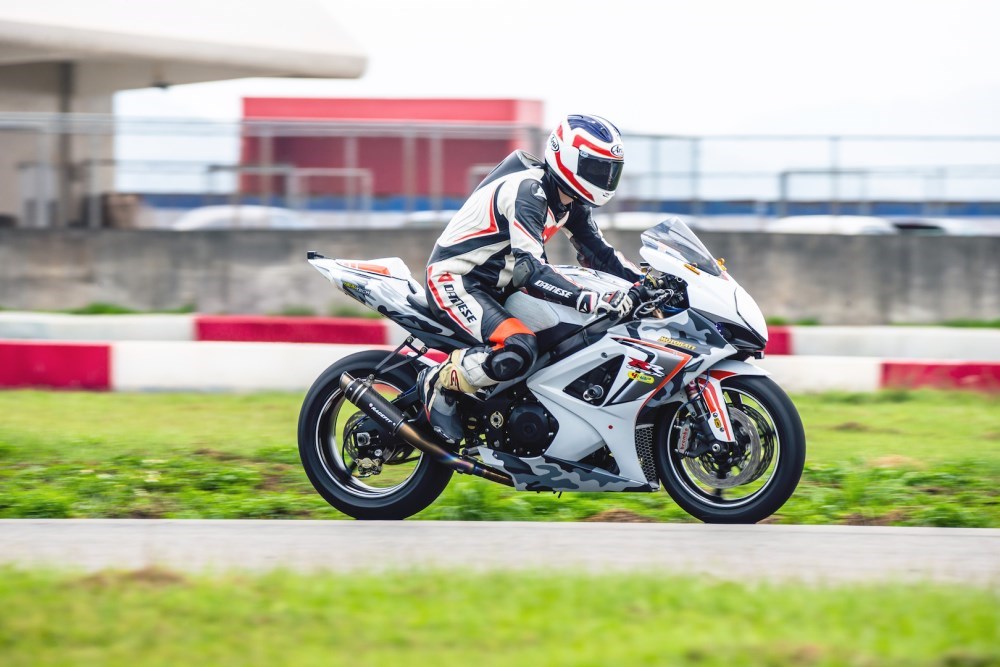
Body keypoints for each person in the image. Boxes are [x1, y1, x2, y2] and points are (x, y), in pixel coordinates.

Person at [419, 114, 643, 445]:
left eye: (611, 170)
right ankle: (439, 381)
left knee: (565, 336)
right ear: (568, 159)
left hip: (498, 286)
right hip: (458, 280)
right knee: (520, 347)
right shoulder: (529, 191)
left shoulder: (570, 203)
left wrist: (647, 282)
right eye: (597, 168)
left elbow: (601, 255)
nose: (605, 179)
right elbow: (531, 269)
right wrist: (589, 298)